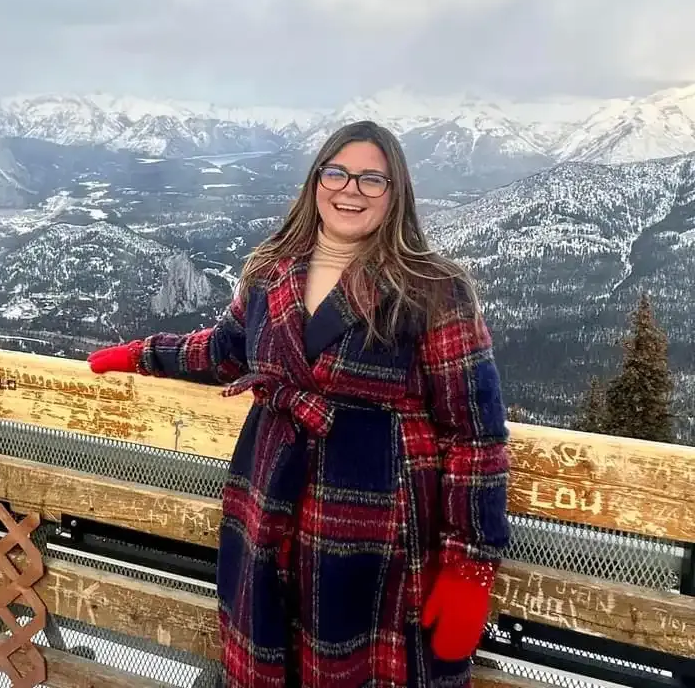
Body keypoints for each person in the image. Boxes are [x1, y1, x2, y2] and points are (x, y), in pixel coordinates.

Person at [88, 121, 510, 688]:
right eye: (336, 172)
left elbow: (475, 434)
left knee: (355, 662)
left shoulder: (431, 288)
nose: (350, 189)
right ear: (316, 182)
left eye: (371, 179)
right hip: (269, 499)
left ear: (396, 193)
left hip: (372, 519)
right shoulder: (272, 269)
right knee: (270, 647)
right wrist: (143, 354)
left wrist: (468, 565)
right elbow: (225, 351)